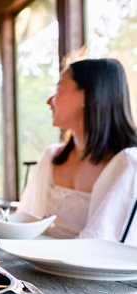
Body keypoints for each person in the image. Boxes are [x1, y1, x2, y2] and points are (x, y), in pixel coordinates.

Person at [19, 58, 137, 243]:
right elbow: (25, 224)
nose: (49, 100)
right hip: (38, 266)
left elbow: (104, 246)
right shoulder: (51, 157)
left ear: (88, 95)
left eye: (58, 89)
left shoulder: (130, 164)